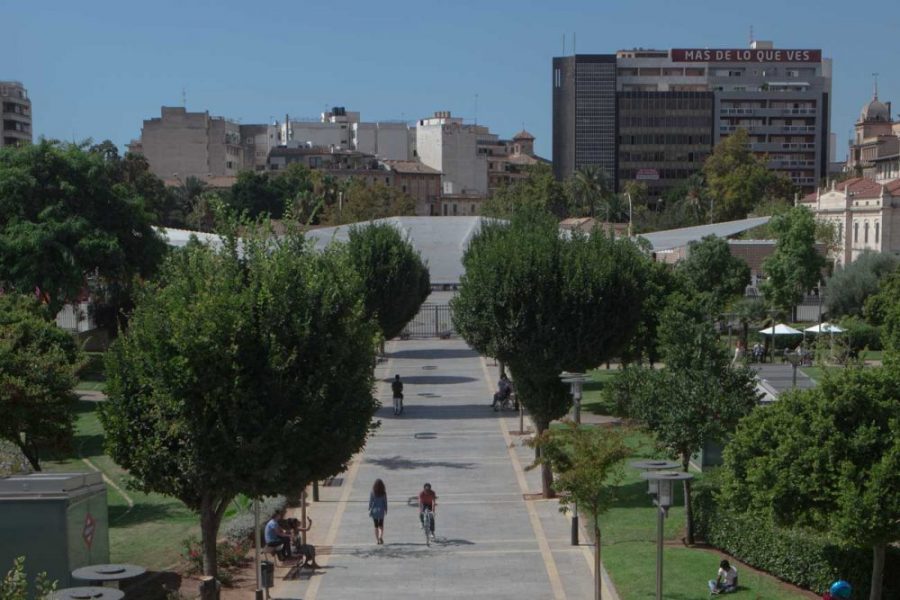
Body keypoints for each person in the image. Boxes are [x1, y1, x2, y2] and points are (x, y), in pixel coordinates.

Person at [369, 479, 388, 545]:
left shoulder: (372, 492)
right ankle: (380, 536)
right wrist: (386, 509)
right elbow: (385, 502)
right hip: (381, 510)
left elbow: (370, 502)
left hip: (374, 511)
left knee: (376, 526)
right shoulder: (384, 493)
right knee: (381, 525)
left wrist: (369, 509)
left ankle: (377, 540)